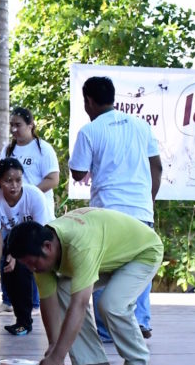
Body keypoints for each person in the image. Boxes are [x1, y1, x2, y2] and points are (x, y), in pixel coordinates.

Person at [7, 208, 162, 365]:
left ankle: (137, 359)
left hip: (143, 252)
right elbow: (48, 300)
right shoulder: (41, 249)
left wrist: (57, 358)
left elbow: (79, 304)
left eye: (32, 263)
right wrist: (53, 346)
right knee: (64, 289)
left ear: (48, 247)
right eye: (26, 265)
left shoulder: (79, 245)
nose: (32, 269)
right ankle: (92, 360)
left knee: (110, 304)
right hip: (109, 254)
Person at [68, 76, 162, 341]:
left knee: (104, 268)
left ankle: (107, 330)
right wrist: (148, 200)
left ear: (88, 101)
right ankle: (140, 322)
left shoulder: (90, 131)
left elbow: (78, 173)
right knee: (139, 266)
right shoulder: (141, 126)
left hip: (108, 212)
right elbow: (156, 167)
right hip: (141, 211)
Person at [0, 107, 60, 315]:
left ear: (31, 125)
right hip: (11, 213)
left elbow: (53, 179)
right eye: (11, 125)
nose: (14, 129)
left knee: (32, 254)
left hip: (36, 212)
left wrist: (26, 195)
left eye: (18, 125)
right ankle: (8, 300)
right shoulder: (8, 149)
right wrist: (13, 195)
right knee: (7, 253)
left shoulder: (43, 149)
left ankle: (36, 303)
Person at [0, 158, 53, 335]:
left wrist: (17, 255)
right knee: (8, 270)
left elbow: (40, 232)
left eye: (18, 180)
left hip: (41, 237)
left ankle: (42, 319)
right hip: (14, 238)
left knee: (24, 269)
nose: (14, 185)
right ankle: (22, 321)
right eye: (8, 181)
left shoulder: (34, 195)